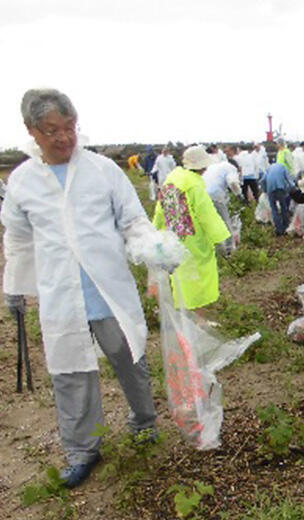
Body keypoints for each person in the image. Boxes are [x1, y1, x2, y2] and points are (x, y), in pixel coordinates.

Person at [2, 88, 184, 488]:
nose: (64, 137)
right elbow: (16, 239)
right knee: (70, 372)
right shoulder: (23, 182)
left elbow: (132, 221)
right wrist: (14, 287)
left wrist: (156, 249)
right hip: (61, 296)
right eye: (52, 130)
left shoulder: (103, 170)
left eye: (70, 127)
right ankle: (82, 450)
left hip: (107, 291)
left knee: (128, 357)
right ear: (32, 131)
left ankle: (143, 422)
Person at [153, 145, 231, 311]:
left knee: (181, 277)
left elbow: (160, 208)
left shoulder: (171, 179)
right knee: (199, 279)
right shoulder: (194, 184)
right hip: (193, 240)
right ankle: (198, 317)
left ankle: (186, 313)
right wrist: (220, 238)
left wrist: (157, 231)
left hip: (173, 238)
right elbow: (206, 213)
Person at [202, 156, 242, 253]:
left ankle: (213, 248)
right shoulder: (231, 168)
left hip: (202, 195)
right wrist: (239, 194)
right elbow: (233, 182)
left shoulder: (214, 167)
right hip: (215, 195)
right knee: (225, 221)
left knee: (209, 223)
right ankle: (229, 250)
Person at [260, 162, 296, 236]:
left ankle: (279, 229)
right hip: (280, 188)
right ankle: (286, 226)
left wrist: (265, 190)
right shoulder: (283, 167)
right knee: (283, 207)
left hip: (270, 189)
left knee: (274, 209)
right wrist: (293, 188)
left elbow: (263, 180)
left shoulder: (269, 168)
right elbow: (289, 179)